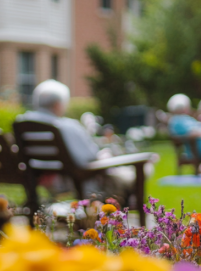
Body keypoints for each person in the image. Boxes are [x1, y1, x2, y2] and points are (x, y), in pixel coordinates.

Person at [16, 80, 152, 200]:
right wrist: (105, 155)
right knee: (141, 169)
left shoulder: (21, 123)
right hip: (75, 182)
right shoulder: (66, 126)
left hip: (43, 178)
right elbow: (90, 156)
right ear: (58, 104)